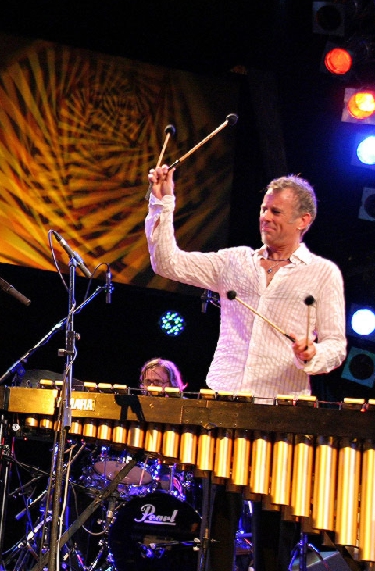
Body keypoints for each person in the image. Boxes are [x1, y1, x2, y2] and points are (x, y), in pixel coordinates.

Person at [145, 165, 347, 571]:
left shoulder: (323, 274)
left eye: (275, 212)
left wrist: (313, 356)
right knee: (217, 528)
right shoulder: (234, 262)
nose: (265, 217)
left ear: (303, 221)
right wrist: (162, 201)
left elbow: (337, 346)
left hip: (281, 412)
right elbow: (167, 263)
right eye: (263, 209)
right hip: (226, 405)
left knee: (274, 533)